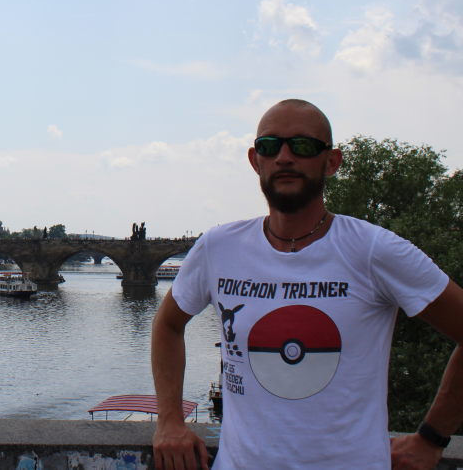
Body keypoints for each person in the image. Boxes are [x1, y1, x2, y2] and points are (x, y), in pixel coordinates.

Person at [151, 99, 463, 469]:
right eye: (270, 146)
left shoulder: (374, 250)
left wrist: (431, 438)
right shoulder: (218, 247)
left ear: (331, 162)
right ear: (256, 161)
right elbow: (168, 324)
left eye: (302, 146)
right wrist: (170, 419)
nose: (284, 157)